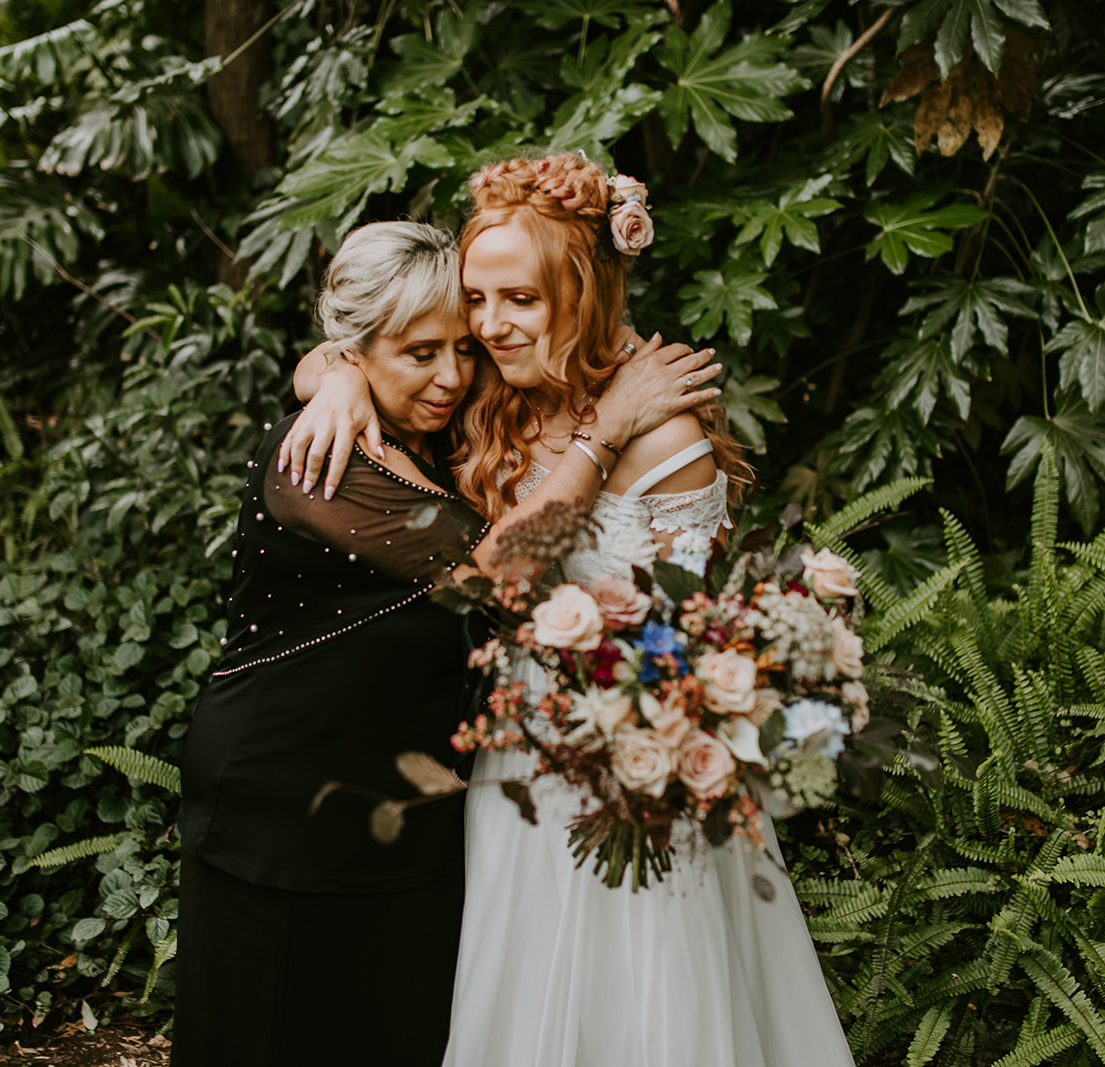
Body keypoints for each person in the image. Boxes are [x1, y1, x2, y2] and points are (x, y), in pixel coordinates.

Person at [284, 155, 856, 1067]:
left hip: (632, 763)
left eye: (521, 300)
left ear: (581, 290)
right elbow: (350, 351)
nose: (488, 326)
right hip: (513, 754)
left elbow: (691, 633)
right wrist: (341, 380)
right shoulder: (491, 391)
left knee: (645, 1002)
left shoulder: (665, 432)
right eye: (477, 299)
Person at [176, 219, 723, 1067]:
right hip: (285, 801)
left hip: (415, 808)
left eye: (461, 349)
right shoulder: (322, 460)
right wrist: (606, 431)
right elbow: (498, 577)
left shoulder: (430, 422)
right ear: (358, 349)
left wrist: (334, 372)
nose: (452, 375)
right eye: (419, 353)